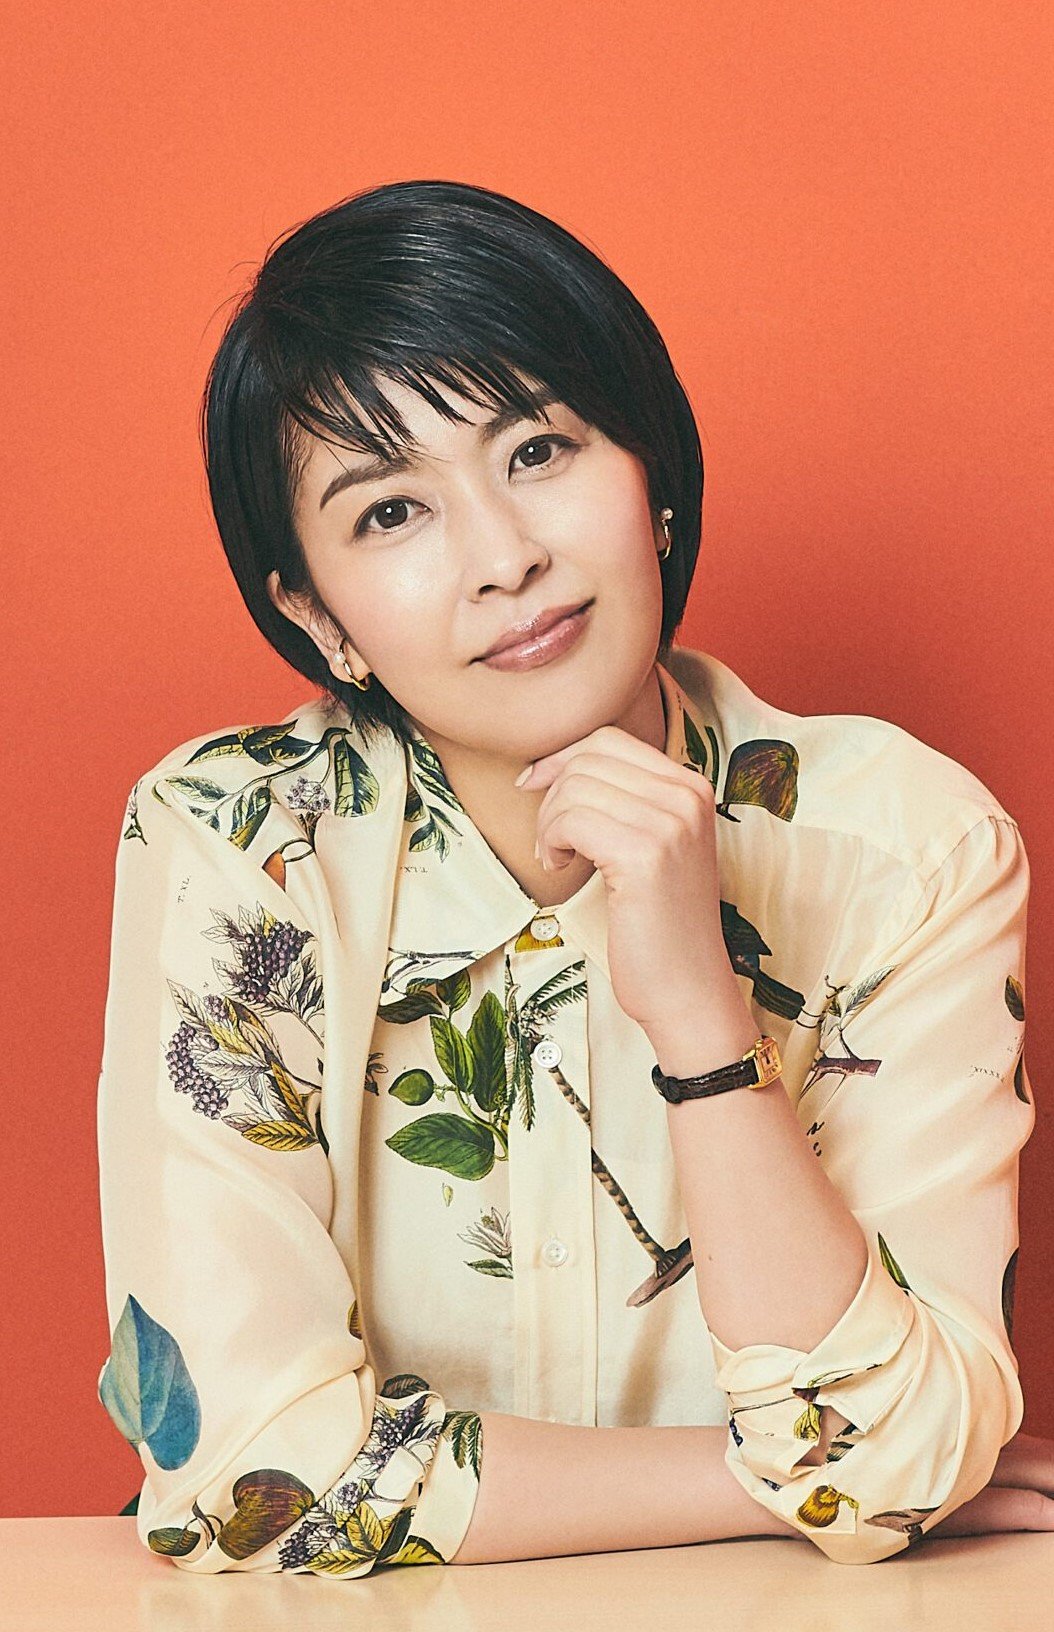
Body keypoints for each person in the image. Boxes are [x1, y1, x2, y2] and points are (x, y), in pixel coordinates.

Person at [96, 178, 1054, 1574]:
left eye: (538, 448)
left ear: (651, 477)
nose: (506, 558)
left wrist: (702, 1023)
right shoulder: (241, 843)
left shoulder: (905, 844)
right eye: (390, 513)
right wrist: (789, 1479)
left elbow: (894, 1464)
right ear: (316, 614)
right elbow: (246, 1475)